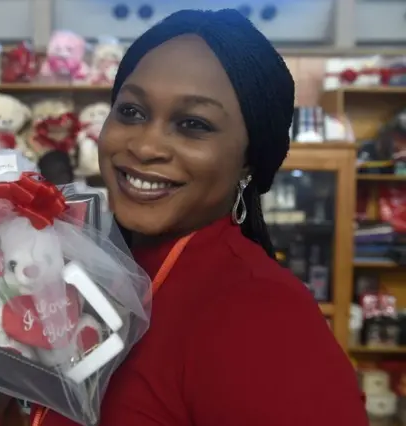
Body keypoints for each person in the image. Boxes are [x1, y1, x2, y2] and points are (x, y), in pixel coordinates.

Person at [31, 9, 368, 426]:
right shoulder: (104, 270)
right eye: (132, 112)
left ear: (249, 159)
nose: (146, 145)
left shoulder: (264, 317)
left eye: (193, 124)